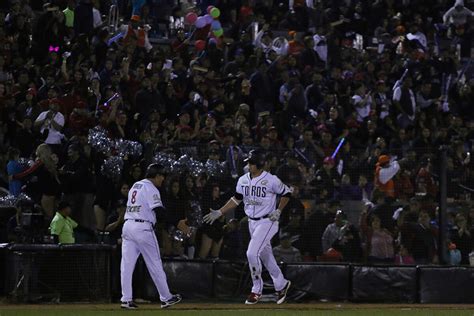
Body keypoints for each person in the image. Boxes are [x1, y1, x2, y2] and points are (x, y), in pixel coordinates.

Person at [203, 149, 292, 305]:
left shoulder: (271, 180)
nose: (249, 165)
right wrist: (220, 211)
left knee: (251, 253)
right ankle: (282, 284)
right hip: (251, 222)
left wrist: (278, 210)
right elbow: (237, 199)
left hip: (268, 221)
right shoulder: (243, 179)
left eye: (252, 163)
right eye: (249, 163)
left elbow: (287, 193)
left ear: (260, 164)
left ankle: (256, 289)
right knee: (266, 256)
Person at [120, 163, 181, 309]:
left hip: (128, 226)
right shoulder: (151, 188)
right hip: (143, 227)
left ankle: (126, 299)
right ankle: (166, 298)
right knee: (155, 263)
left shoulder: (136, 185)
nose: (163, 179)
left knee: (126, 265)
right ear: (157, 175)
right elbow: (159, 211)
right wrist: (177, 222)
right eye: (162, 176)